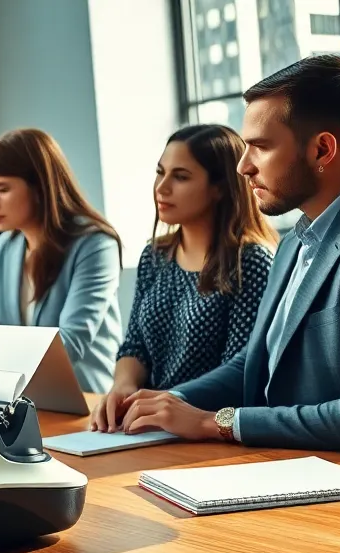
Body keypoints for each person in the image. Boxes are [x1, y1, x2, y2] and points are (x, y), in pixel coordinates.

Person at [118, 55, 340, 465]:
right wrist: (171, 401)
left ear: (322, 148)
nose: (243, 166)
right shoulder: (296, 238)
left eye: (261, 147)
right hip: (303, 467)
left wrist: (216, 422)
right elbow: (257, 362)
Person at [92, 124, 277, 431]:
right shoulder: (155, 255)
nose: (161, 187)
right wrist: (123, 386)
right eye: (160, 172)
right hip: (147, 424)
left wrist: (167, 403)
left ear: (220, 187)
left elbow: (239, 373)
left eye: (180, 176)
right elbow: (135, 344)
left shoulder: (251, 262)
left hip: (207, 430)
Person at [0, 128, 124, 393]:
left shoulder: (94, 244)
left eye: (2, 189)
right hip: (22, 399)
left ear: (40, 187)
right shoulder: (6, 246)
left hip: (85, 403)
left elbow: (70, 344)